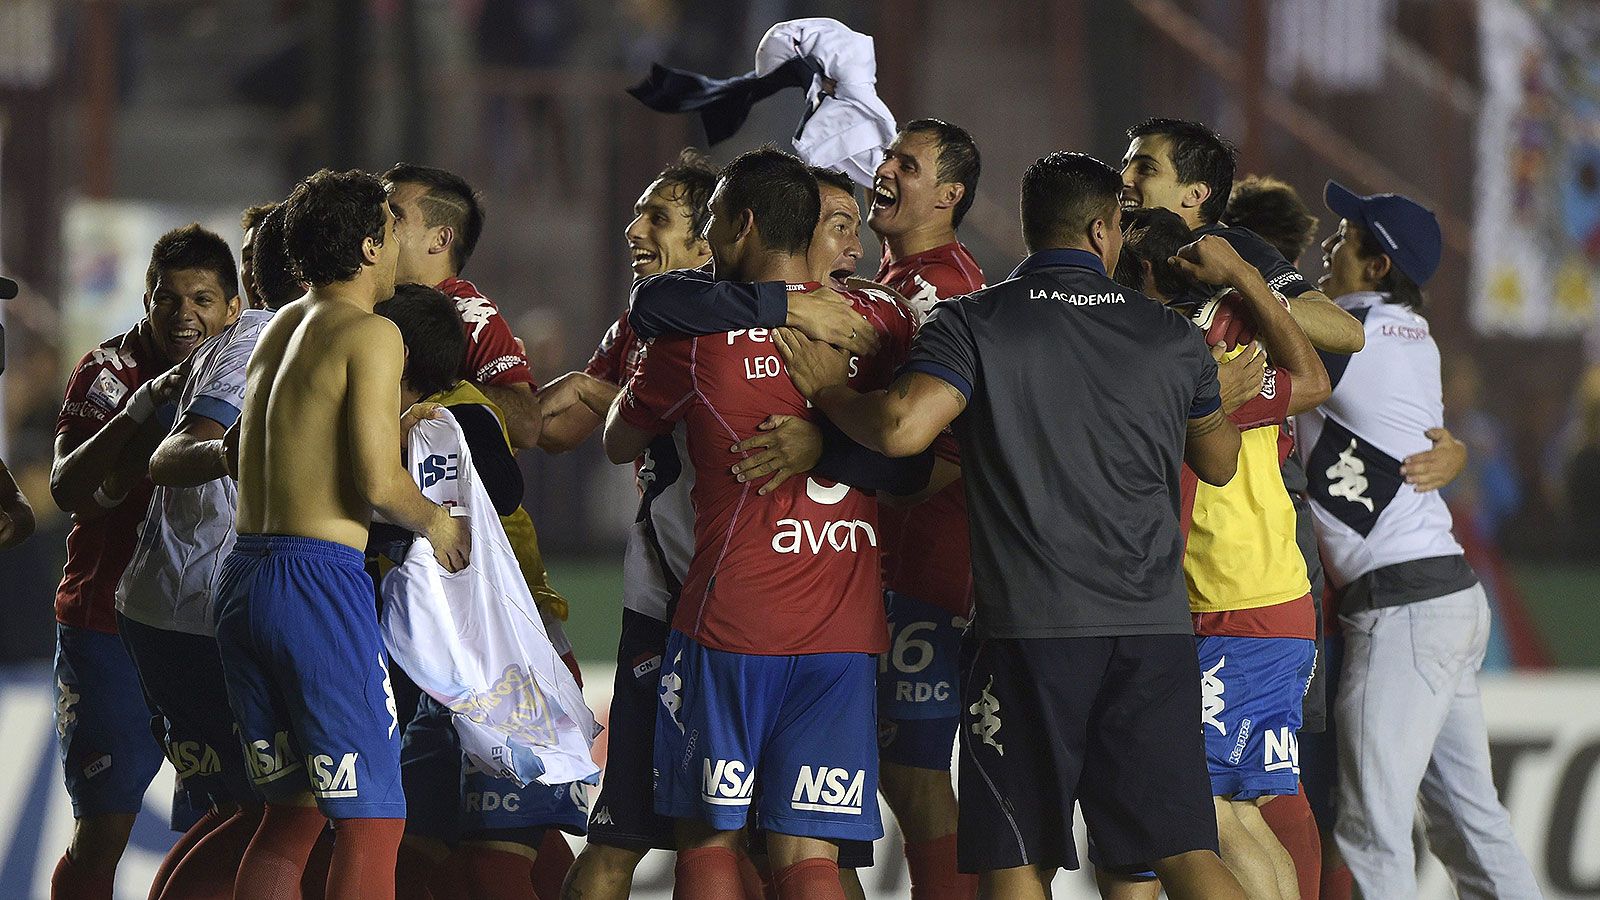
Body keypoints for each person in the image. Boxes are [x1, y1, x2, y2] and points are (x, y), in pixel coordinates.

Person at [778, 150, 1247, 900]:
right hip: (1152, 631)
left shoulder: (977, 322)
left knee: (1018, 859)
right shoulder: (1169, 336)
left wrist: (832, 396)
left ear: (1033, 228)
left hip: (1030, 632)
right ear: (1104, 229)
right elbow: (1219, 462)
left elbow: (902, 429)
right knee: (1184, 853)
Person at [603, 149, 902, 900]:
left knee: (708, 832)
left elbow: (618, 439)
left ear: (742, 224)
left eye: (711, 221)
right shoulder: (878, 324)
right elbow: (919, 459)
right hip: (843, 632)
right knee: (808, 850)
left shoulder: (693, 340)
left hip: (731, 624)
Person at [213, 168, 469, 900]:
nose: (398, 246)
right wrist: (437, 522)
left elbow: (267, 447)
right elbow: (375, 483)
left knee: (289, 818)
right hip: (314, 584)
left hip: (244, 577)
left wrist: (389, 428)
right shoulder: (373, 332)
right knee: (374, 823)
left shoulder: (276, 329)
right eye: (391, 230)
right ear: (366, 245)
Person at [1303, 182, 1540, 899]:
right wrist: (1459, 452)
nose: (1328, 245)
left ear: (1376, 266)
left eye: (1345, 239)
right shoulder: (1414, 334)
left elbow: (1271, 326)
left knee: (1374, 835)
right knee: (1474, 830)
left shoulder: (1350, 329)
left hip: (1403, 608)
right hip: (1442, 598)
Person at [1112, 206, 1331, 900]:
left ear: (1145, 268)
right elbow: (1315, 380)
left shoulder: (1188, 349)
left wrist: (1242, 273)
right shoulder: (1236, 336)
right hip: (1260, 601)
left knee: (1202, 804)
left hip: (1237, 603)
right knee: (1232, 807)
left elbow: (1325, 369)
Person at [48, 224, 243, 900]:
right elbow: (70, 491)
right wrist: (140, 412)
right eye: (168, 299)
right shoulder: (109, 371)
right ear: (146, 300)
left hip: (204, 628)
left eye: (203, 299)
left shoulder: (249, 365)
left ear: (234, 308)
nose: (184, 314)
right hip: (107, 626)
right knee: (104, 825)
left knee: (220, 824)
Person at [116, 217, 299, 899]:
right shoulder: (261, 338)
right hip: (202, 617)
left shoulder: (278, 336)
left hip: (199, 611)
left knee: (254, 812)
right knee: (282, 813)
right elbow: (178, 453)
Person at [863, 119, 988, 900]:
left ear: (949, 195)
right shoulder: (898, 278)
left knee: (912, 774)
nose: (884, 170)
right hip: (893, 560)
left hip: (930, 567)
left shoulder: (946, 289)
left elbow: (955, 446)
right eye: (887, 157)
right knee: (896, 771)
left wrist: (844, 472)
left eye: (906, 164)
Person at [383, 163, 543, 450]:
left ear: (440, 239)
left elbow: (527, 425)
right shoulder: (370, 297)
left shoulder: (468, 312)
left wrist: (428, 382)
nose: (378, 226)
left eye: (395, 217)